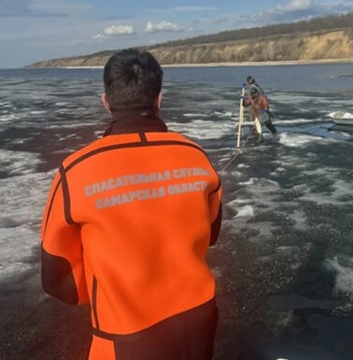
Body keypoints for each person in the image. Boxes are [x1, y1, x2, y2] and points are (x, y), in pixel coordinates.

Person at [40, 48, 223, 360]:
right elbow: (211, 232)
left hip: (125, 337)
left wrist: (107, 290)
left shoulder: (77, 171)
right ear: (158, 100)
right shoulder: (195, 155)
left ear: (106, 102)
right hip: (200, 319)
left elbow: (57, 277)